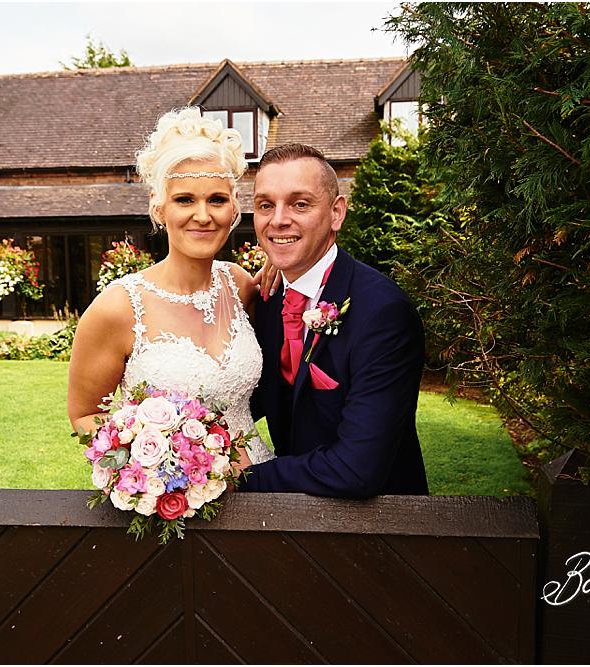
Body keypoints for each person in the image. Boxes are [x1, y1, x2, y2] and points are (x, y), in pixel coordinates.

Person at [67, 107, 273, 466]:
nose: (203, 215)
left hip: (264, 482)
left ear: (234, 208)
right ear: (159, 207)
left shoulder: (241, 286)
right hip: (176, 500)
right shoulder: (118, 307)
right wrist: (156, 470)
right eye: (185, 200)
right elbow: (85, 416)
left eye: (217, 199)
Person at [241, 143, 429, 497]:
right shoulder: (266, 298)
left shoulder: (382, 312)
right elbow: (252, 397)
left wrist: (243, 478)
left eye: (300, 204)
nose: (278, 219)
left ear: (336, 212)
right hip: (287, 526)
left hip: (380, 530)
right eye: (265, 205)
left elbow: (357, 469)